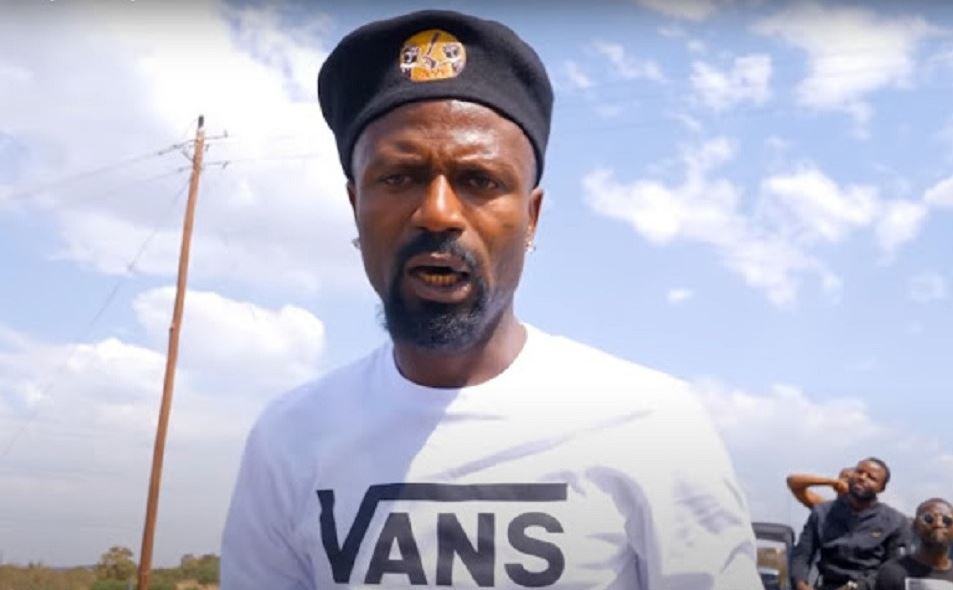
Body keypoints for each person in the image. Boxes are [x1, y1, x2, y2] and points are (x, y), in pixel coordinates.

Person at [220, 9, 760, 589]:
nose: (437, 213)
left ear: (531, 216)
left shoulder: (655, 425)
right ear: (356, 205)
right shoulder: (290, 438)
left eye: (480, 181)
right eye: (398, 178)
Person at [791, 457, 910, 590]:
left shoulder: (895, 522)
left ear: (881, 488)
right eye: (859, 472)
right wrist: (800, 584)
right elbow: (802, 555)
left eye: (871, 477)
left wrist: (856, 587)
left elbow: (894, 570)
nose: (862, 478)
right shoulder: (822, 512)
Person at [874, 498, 953, 590]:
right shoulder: (891, 572)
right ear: (915, 526)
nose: (937, 524)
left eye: (946, 520)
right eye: (928, 519)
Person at [787, 467, 854, 510]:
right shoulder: (828, 510)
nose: (844, 486)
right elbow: (793, 481)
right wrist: (832, 482)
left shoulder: (860, 513)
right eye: (843, 481)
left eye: (850, 482)